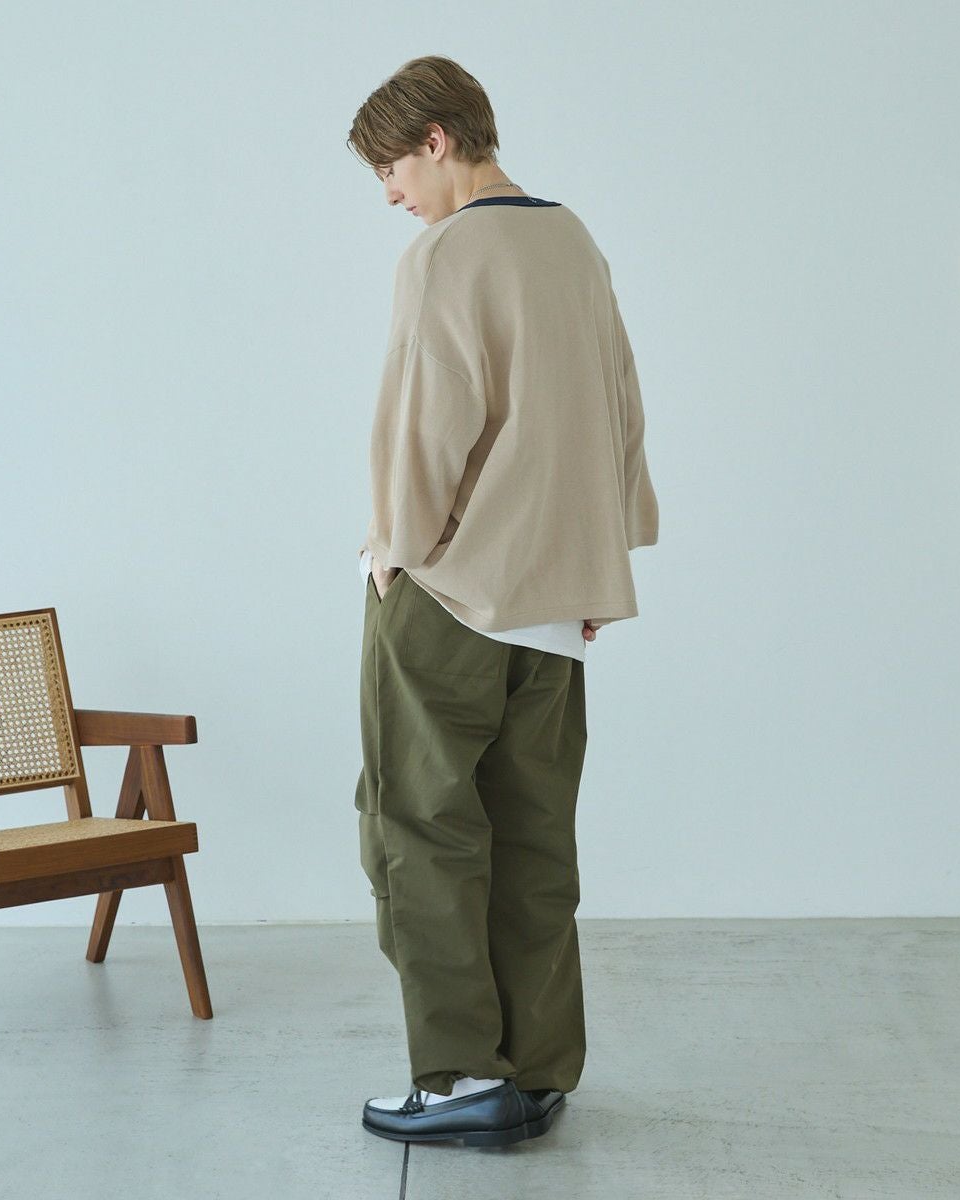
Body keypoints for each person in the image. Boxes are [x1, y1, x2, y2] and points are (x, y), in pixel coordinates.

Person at [347, 55, 658, 1149]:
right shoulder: (572, 240)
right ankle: (534, 1071)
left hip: (452, 595)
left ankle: (456, 1080)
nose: (391, 193)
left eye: (390, 167)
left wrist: (393, 550)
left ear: (436, 140)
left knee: (418, 830)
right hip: (556, 608)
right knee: (533, 843)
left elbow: (426, 421)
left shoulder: (446, 254)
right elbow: (619, 407)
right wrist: (598, 559)